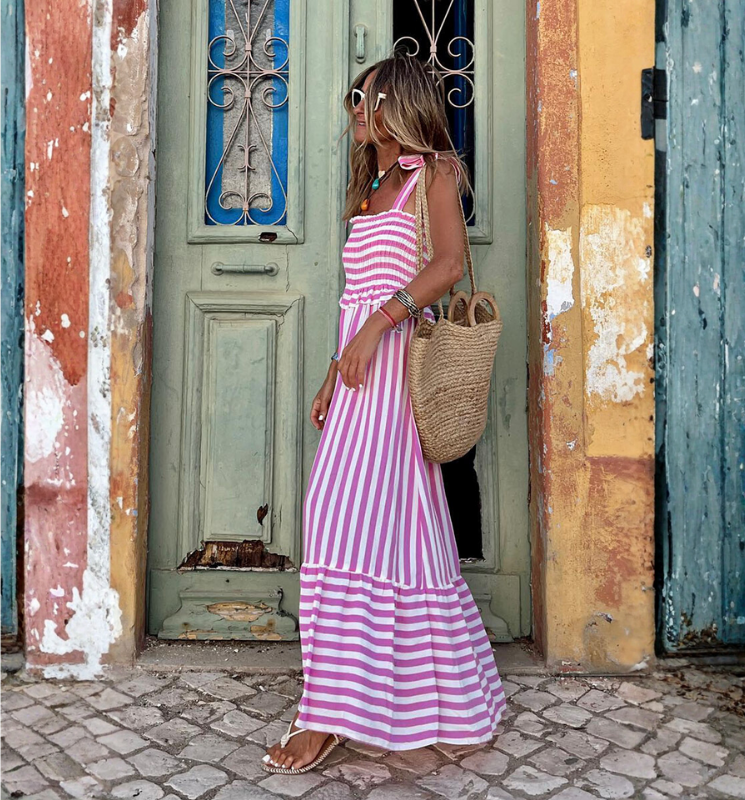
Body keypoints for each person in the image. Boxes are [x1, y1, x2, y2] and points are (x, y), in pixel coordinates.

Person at [261, 52, 507, 775]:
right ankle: (390, 703)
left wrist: (379, 328)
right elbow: (352, 301)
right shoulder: (371, 181)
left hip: (399, 379)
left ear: (398, 104)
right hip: (360, 383)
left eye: (365, 100)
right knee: (399, 535)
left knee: (345, 526)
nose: (355, 112)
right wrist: (332, 377)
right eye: (354, 100)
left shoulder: (433, 173)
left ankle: (330, 714)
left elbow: (449, 265)